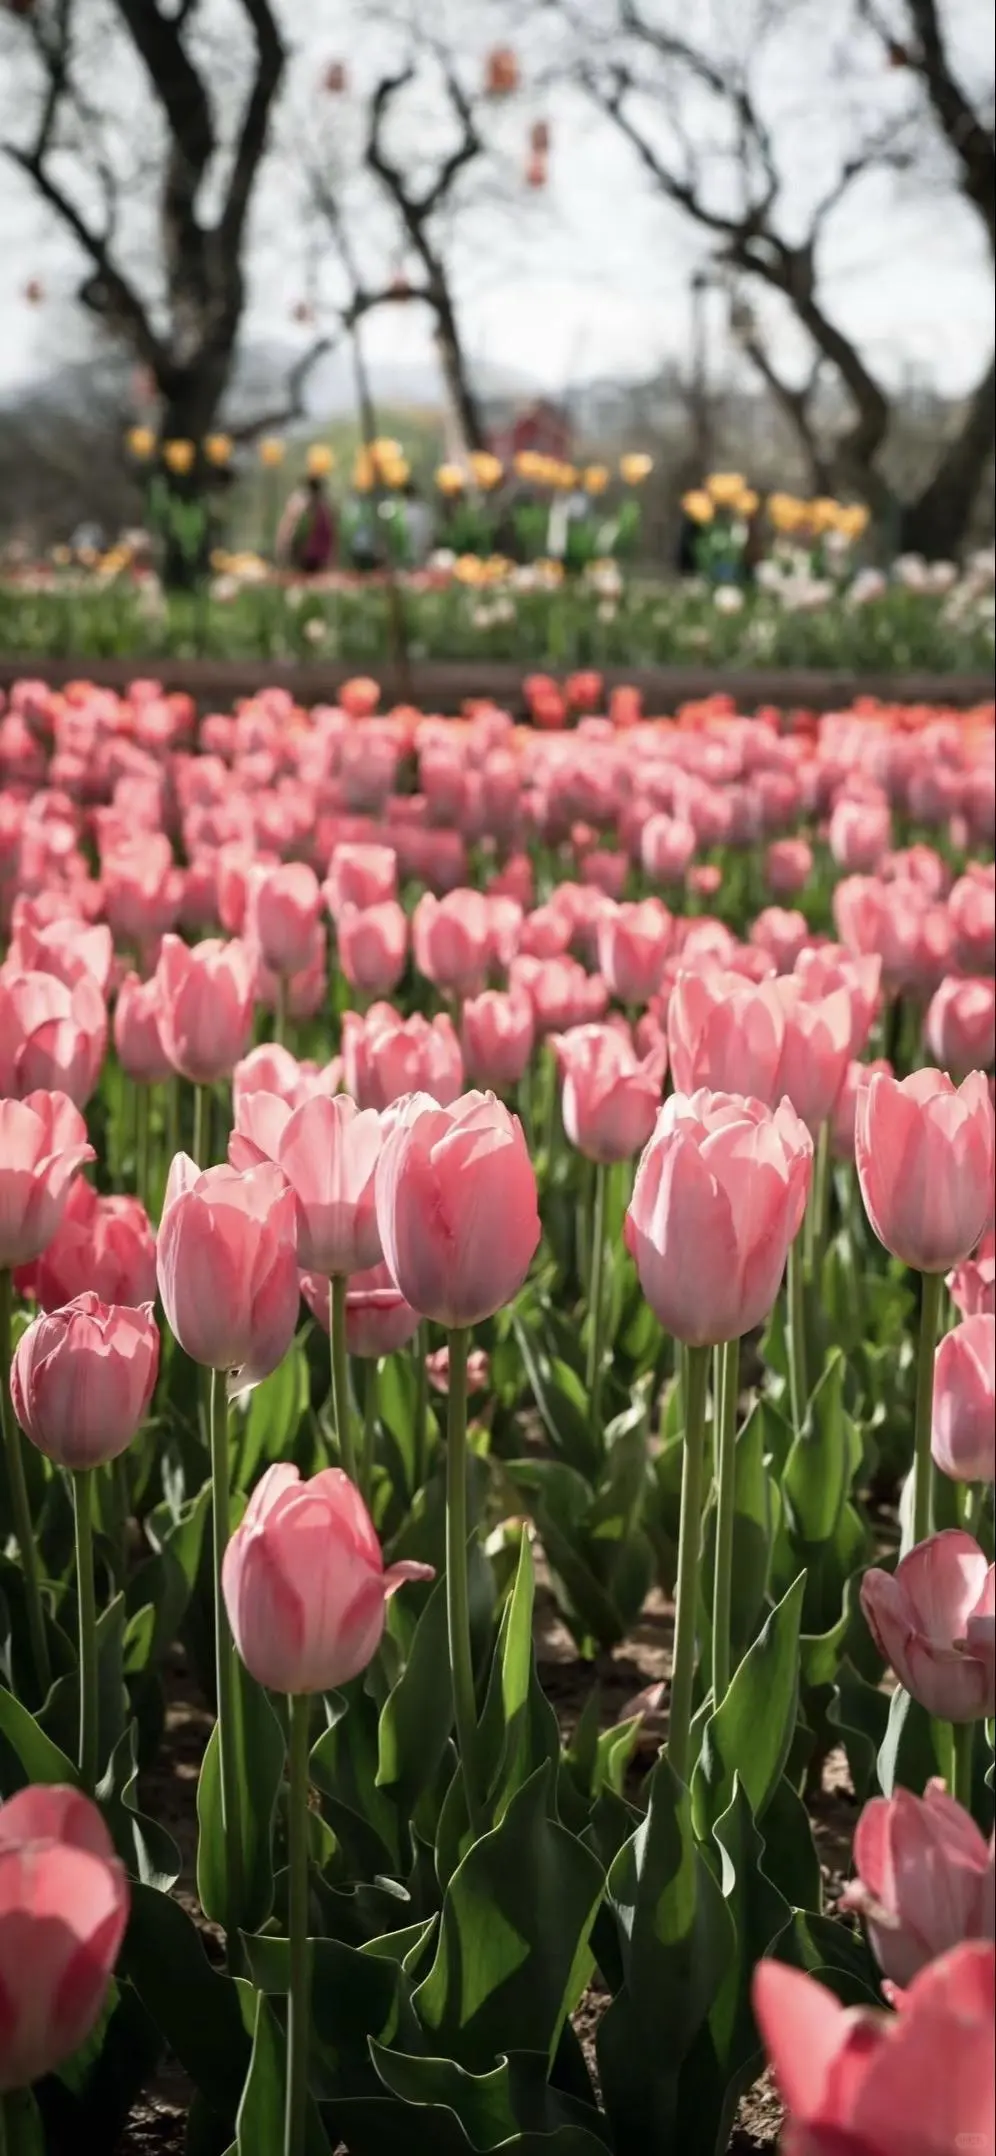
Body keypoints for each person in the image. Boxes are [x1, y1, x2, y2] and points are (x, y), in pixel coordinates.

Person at [276, 474, 336, 573]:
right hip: (302, 556)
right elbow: (287, 530)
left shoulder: (324, 509)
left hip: (316, 557)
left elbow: (330, 535)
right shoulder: (300, 505)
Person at [399, 479, 434, 566]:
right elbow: (430, 532)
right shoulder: (423, 509)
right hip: (420, 551)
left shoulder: (400, 510)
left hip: (406, 553)